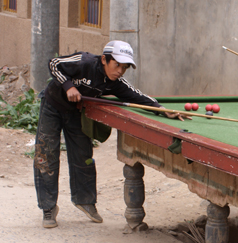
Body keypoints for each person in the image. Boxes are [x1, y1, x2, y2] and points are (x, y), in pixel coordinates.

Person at [34, 40, 188, 229]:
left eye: (124, 68)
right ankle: (48, 208)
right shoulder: (84, 62)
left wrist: (161, 109)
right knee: (46, 155)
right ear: (104, 60)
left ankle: (85, 201)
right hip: (53, 106)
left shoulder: (115, 82)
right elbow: (54, 63)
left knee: (83, 155)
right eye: (117, 65)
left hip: (76, 112)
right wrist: (68, 86)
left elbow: (137, 96)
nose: (120, 71)